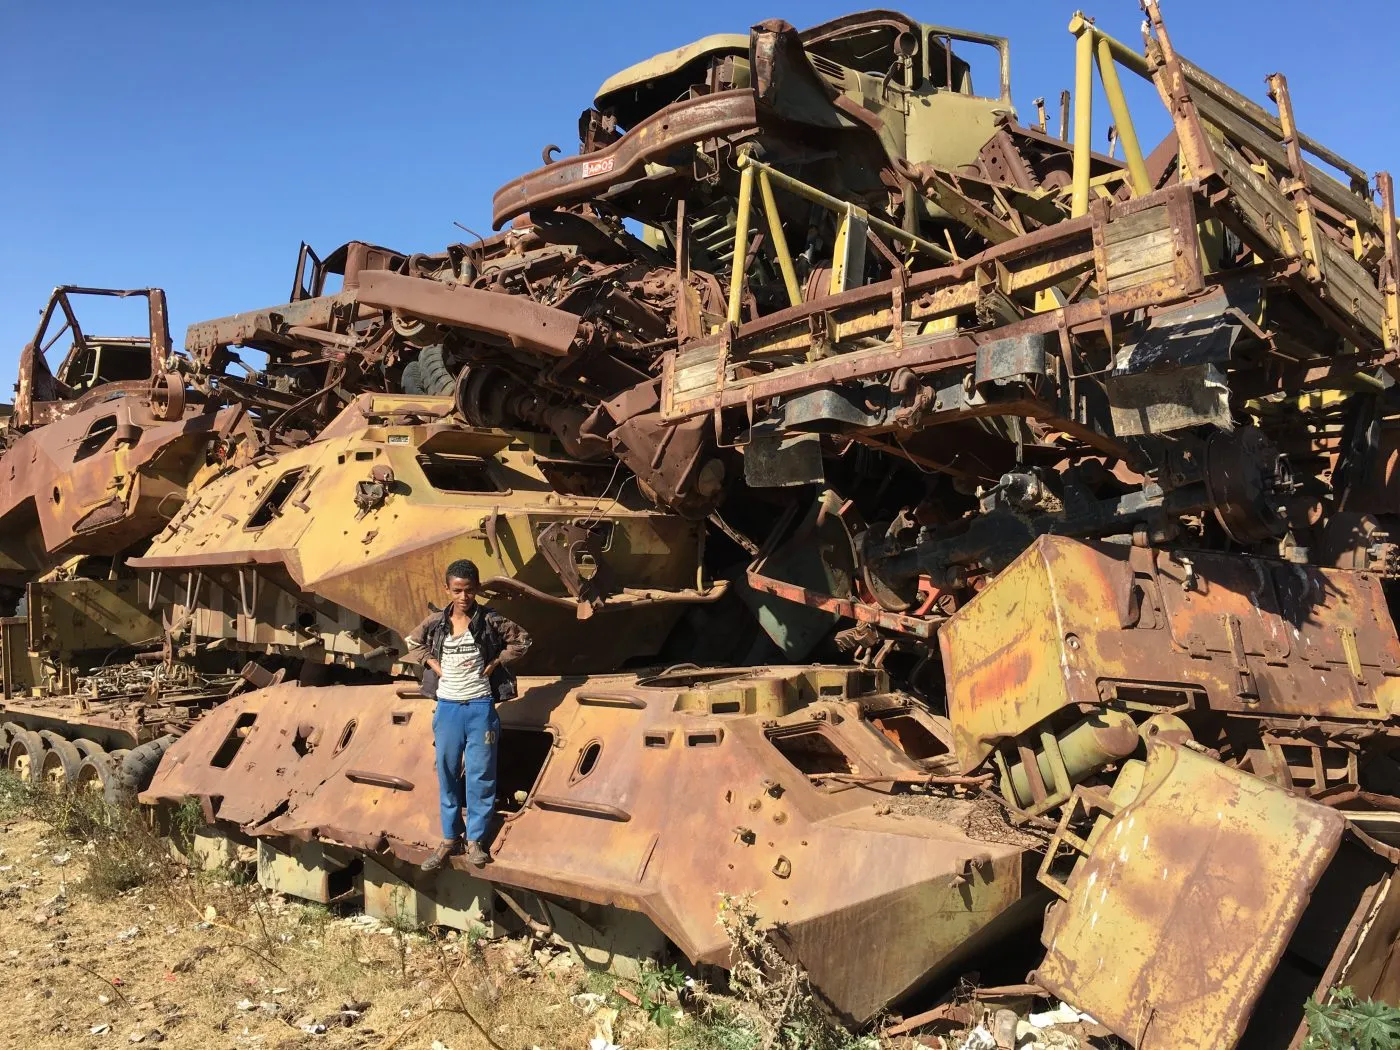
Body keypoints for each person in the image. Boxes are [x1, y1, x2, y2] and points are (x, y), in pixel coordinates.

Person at [406, 559, 530, 870]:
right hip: (447, 708)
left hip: (479, 707)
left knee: (481, 776)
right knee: (447, 774)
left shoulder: (490, 620)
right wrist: (434, 665)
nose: (464, 597)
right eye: (458, 591)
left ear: (477, 590)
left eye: (470, 591)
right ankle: (450, 837)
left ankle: (476, 840)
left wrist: (496, 662)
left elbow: (523, 640)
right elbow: (411, 642)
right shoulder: (436, 623)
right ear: (447, 589)